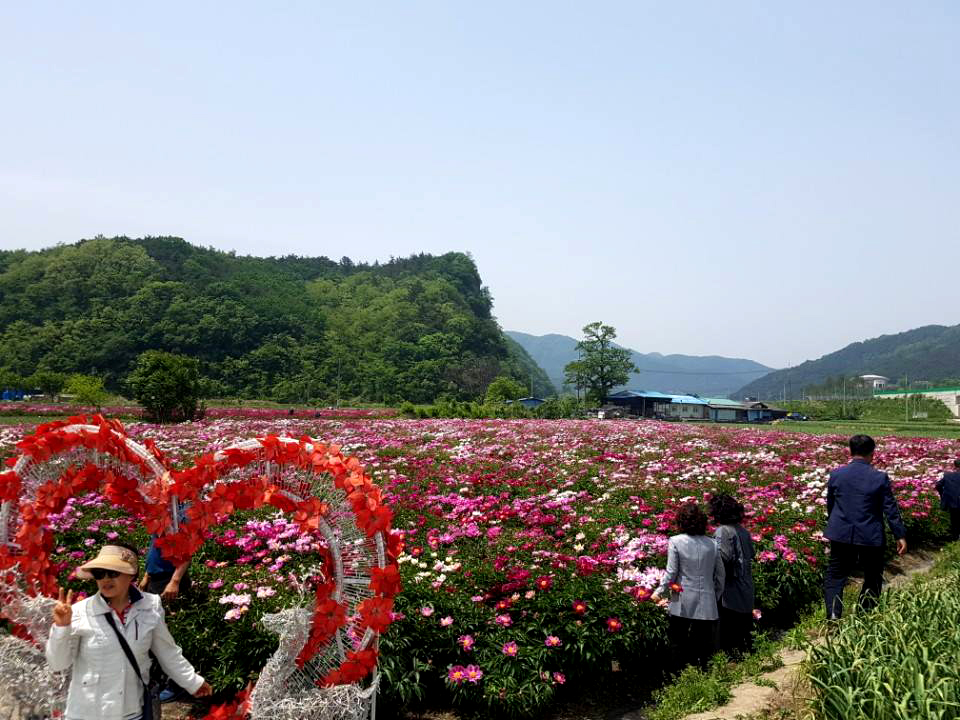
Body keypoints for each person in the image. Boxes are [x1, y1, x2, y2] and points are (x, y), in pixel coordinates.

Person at [46, 543, 212, 720]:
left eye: (113, 573)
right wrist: (62, 628)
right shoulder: (79, 612)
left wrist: (193, 682)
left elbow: (167, 652)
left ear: (131, 574)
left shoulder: (150, 606)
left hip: (131, 712)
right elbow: (58, 664)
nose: (105, 579)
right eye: (100, 573)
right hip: (87, 713)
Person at [823, 434, 907, 620]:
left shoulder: (836, 474)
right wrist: (899, 535)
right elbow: (890, 508)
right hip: (870, 534)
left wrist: (835, 525)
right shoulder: (879, 477)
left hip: (841, 533)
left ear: (850, 451)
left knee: (835, 576)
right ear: (872, 453)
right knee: (873, 576)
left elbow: (831, 506)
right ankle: (864, 615)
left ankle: (834, 616)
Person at [653, 502, 725, 669]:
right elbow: (720, 576)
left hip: (682, 600)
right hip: (707, 601)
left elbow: (671, 572)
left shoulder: (675, 541)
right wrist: (714, 596)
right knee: (702, 644)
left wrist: (659, 592)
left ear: (681, 521)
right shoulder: (712, 544)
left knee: (677, 642)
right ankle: (702, 675)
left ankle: (679, 676)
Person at [709, 493, 755, 657]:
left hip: (730, 588)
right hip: (746, 585)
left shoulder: (723, 531)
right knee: (743, 628)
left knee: (728, 630)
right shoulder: (743, 531)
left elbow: (723, 558)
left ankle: (731, 659)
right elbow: (752, 554)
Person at [935, 459, 960, 541]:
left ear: (955, 466)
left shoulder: (948, 476)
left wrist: (943, 494)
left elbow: (938, 485)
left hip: (953, 502)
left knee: (954, 520)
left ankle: (955, 538)